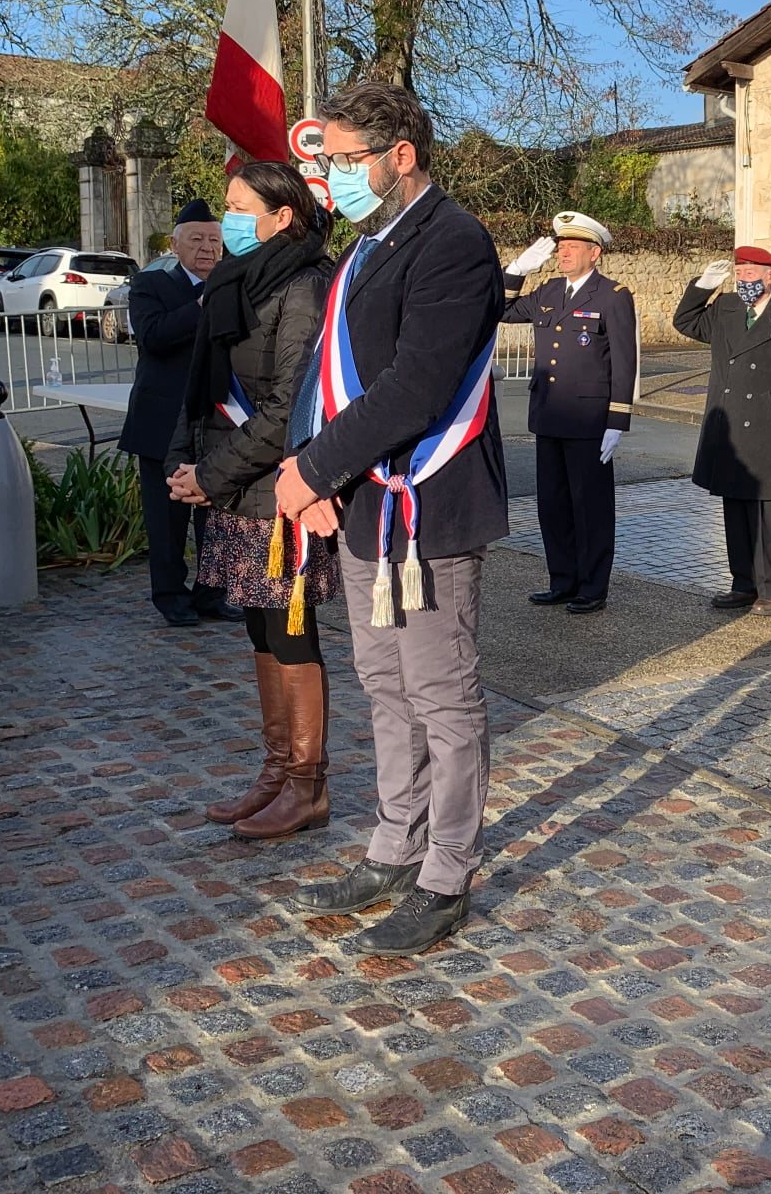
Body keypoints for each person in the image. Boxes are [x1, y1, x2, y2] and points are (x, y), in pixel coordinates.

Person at [272, 81, 509, 956]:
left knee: (443, 695)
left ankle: (448, 872)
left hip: (431, 502)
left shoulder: (453, 244)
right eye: (328, 161)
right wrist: (314, 469)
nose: (331, 177)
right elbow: (327, 376)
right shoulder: (366, 246)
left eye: (343, 161)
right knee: (385, 686)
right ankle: (394, 843)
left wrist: (317, 466)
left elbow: (417, 385)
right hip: (367, 503)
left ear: (398, 156)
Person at [165, 162, 338, 840]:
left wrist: (212, 474)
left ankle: (307, 784)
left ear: (282, 216)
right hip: (235, 484)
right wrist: (190, 464)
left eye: (241, 208)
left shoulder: (303, 285)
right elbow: (198, 381)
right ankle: (275, 771)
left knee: (291, 630)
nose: (228, 219)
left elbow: (288, 406)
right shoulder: (234, 283)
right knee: (258, 627)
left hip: (279, 488)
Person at [501, 211, 639, 614]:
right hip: (549, 415)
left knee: (590, 507)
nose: (562, 253)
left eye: (572, 247)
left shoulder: (613, 295)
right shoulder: (547, 293)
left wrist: (617, 420)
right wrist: (515, 271)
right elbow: (500, 310)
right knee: (554, 505)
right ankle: (562, 580)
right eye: (561, 247)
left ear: (594, 253)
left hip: (589, 420)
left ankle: (593, 587)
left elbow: (625, 361)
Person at [673, 246, 771, 615]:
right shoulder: (725, 309)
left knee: (770, 517)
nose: (745, 281)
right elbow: (686, 322)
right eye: (740, 274)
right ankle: (742, 584)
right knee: (735, 512)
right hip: (732, 430)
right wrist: (704, 285)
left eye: (752, 274)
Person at [119, 200, 238, 627]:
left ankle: (213, 593)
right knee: (167, 517)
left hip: (216, 420)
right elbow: (153, 337)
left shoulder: (232, 284)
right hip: (163, 422)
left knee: (216, 514)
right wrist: (202, 304)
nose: (207, 249)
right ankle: (170, 595)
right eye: (197, 241)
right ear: (175, 244)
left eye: (214, 241)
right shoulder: (150, 285)